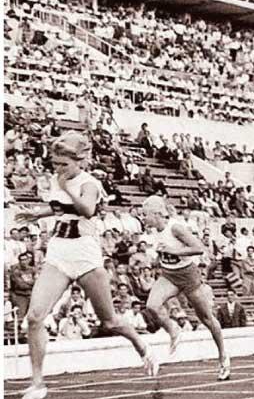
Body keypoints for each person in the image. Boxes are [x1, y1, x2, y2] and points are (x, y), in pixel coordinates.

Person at [15, 132, 159, 399]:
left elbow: (87, 210)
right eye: (55, 164)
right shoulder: (60, 181)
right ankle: (37, 383)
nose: (58, 169)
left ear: (78, 161)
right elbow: (61, 208)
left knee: (110, 321)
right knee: (34, 317)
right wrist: (38, 213)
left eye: (63, 164)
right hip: (59, 251)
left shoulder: (88, 183)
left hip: (85, 253)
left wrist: (67, 186)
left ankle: (141, 343)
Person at [140, 195, 231, 381]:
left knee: (206, 318)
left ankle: (223, 356)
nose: (143, 218)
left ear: (157, 214)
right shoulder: (154, 230)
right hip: (169, 275)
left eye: (145, 214)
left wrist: (173, 251)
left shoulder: (175, 227)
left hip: (188, 276)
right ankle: (173, 330)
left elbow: (199, 248)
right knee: (151, 305)